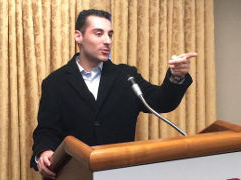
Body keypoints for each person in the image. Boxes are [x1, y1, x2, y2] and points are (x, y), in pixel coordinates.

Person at [30, 9, 197, 179]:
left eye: (110, 34)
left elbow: (161, 102)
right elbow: (46, 129)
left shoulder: (126, 76)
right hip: (75, 173)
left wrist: (176, 76)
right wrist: (43, 152)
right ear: (78, 36)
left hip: (119, 172)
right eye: (99, 34)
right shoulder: (55, 82)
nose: (107, 41)